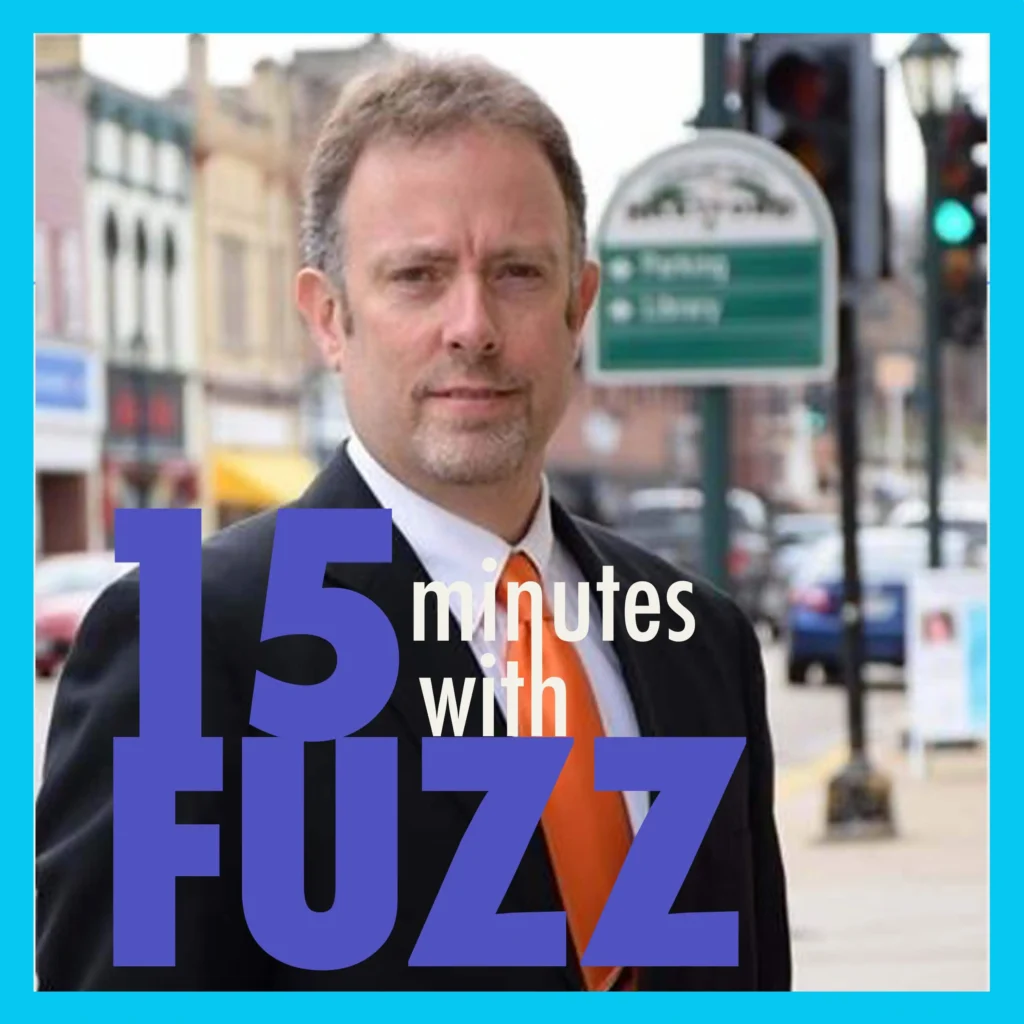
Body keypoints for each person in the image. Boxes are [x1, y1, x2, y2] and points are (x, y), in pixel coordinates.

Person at [36, 54, 791, 991]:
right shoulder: (186, 647)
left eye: (517, 272)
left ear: (578, 305)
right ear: (329, 319)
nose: (471, 325)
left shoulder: (703, 642)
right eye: (418, 276)